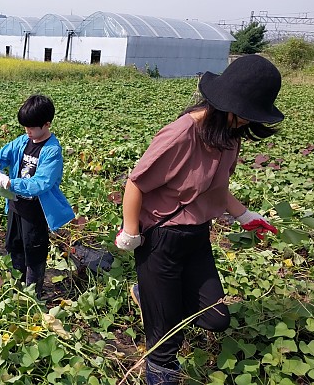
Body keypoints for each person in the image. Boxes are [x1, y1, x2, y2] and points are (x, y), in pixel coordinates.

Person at [116, 55, 283, 384]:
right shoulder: (183, 134)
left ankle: (149, 293)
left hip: (196, 236)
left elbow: (217, 188)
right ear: (226, 103)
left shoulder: (229, 134)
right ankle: (160, 370)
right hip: (160, 238)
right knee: (165, 343)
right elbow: (135, 183)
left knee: (217, 318)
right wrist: (131, 231)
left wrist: (244, 214)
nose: (249, 123)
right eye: (247, 114)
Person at [0, 94, 75, 298]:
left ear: (47, 124)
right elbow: (0, 156)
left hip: (36, 212)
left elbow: (41, 183)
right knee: (14, 246)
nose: (28, 131)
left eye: (32, 128)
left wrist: (9, 182)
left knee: (34, 253)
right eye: (26, 127)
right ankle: (16, 288)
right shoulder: (23, 141)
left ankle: (33, 295)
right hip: (16, 207)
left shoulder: (52, 151)